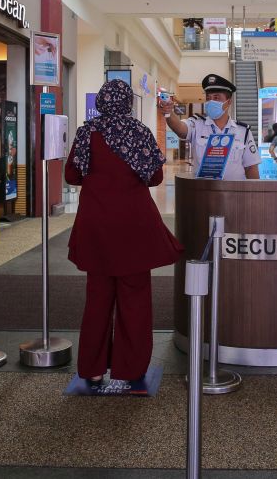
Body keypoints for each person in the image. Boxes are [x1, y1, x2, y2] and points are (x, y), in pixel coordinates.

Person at [65, 80, 183, 388]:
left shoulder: (87, 133)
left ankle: (91, 368)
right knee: (135, 299)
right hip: (133, 227)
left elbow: (71, 175)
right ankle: (130, 369)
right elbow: (155, 177)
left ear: (103, 101)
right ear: (128, 102)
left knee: (97, 298)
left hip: (97, 227)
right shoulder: (139, 132)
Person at [159, 74, 260, 180]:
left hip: (235, 192)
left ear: (229, 101)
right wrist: (169, 113)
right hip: (206, 192)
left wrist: (256, 195)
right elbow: (180, 128)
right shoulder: (197, 124)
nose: (211, 101)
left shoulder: (243, 131)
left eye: (216, 97)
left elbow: (251, 168)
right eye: (208, 98)